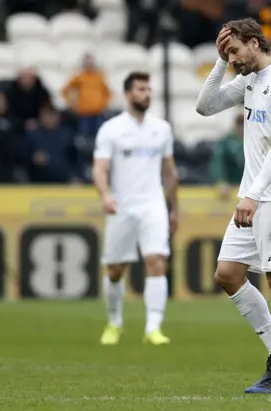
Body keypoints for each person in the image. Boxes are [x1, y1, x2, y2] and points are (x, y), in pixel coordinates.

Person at [196, 18, 271, 394]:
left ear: (256, 42)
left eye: (234, 51)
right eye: (227, 53)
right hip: (255, 196)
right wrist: (218, 62)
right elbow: (205, 106)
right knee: (228, 274)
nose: (233, 59)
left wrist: (253, 195)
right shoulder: (250, 79)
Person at [93, 72, 179, 347]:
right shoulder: (111, 129)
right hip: (121, 206)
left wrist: (174, 208)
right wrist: (105, 196)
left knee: (156, 261)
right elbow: (100, 168)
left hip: (152, 205)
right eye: (141, 89)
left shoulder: (162, 128)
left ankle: (153, 327)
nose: (146, 94)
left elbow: (169, 172)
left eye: (149, 89)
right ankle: (114, 321)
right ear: (128, 94)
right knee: (116, 269)